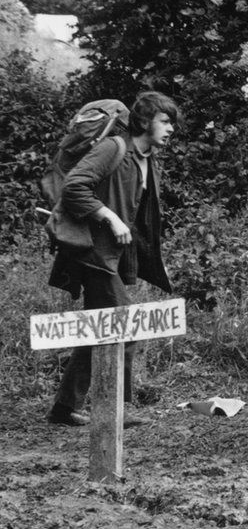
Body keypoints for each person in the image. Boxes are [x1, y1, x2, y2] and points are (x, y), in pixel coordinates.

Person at [46, 91, 179, 427]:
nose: (171, 129)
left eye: (172, 123)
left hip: (113, 257)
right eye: (165, 121)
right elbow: (74, 187)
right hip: (92, 252)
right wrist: (109, 216)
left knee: (98, 329)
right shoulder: (114, 148)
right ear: (145, 121)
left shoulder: (147, 160)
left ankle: (64, 408)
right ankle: (119, 407)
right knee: (125, 326)